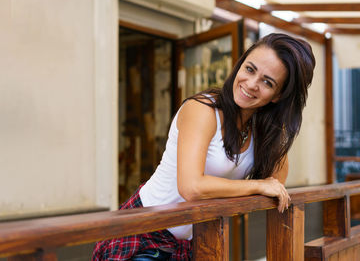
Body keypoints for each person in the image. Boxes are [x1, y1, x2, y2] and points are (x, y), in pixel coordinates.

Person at [92, 32, 315, 261]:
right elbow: (191, 187)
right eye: (250, 69)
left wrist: (277, 129)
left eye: (268, 82)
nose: (251, 84)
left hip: (192, 240)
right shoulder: (203, 110)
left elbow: (276, 185)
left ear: (279, 96)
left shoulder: (262, 131)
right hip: (144, 230)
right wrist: (257, 185)